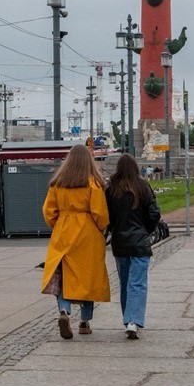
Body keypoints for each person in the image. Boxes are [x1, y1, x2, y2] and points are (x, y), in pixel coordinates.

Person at [41, 144, 110, 339]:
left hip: (63, 231)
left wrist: (60, 224)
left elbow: (48, 212)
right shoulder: (92, 183)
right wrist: (101, 228)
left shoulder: (58, 183)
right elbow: (100, 213)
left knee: (65, 277)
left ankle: (64, 311)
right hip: (87, 233)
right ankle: (84, 322)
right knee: (87, 278)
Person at [106, 154, 161, 339]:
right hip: (140, 243)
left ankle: (127, 319)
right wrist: (146, 230)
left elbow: (107, 216)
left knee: (125, 283)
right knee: (137, 283)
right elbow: (154, 213)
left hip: (120, 243)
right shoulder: (143, 186)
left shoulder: (111, 189)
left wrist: (112, 230)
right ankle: (133, 321)